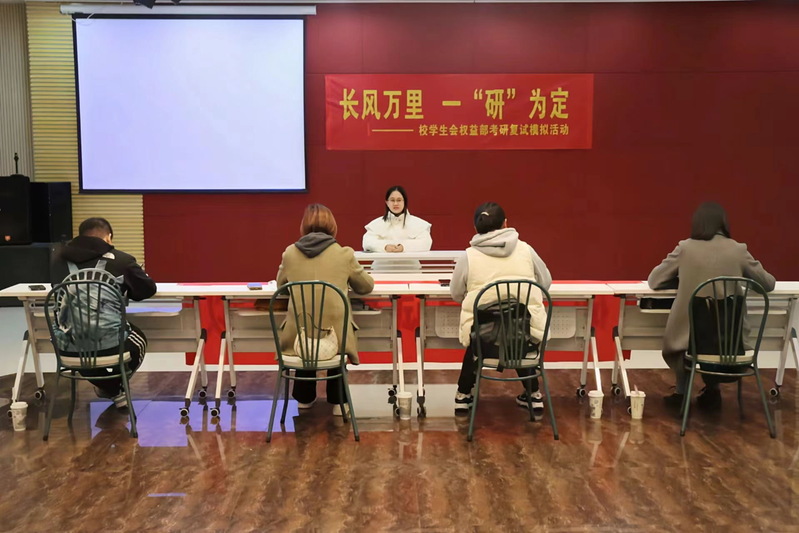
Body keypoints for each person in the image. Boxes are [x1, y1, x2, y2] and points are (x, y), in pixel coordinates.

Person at [647, 202, 775, 411]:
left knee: (690, 335)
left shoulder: (685, 248)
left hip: (689, 338)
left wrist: (683, 280)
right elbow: (768, 284)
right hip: (730, 340)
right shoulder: (738, 250)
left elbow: (654, 280)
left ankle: (681, 393)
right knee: (717, 333)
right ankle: (712, 390)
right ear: (723, 223)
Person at [449, 202, 552, 417]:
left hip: (484, 340)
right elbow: (545, 282)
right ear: (506, 223)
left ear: (476, 227)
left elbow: (456, 293)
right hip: (525, 334)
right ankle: (533, 394)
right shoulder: (526, 249)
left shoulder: (468, 256)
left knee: (480, 337)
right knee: (517, 333)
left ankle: (463, 395)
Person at [277, 204, 375, 415]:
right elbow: (366, 287)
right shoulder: (344, 254)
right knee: (335, 323)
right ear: (332, 226)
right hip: (336, 337)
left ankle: (304, 398)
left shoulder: (290, 253)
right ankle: (339, 400)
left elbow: (280, 286)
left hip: (298, 338)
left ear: (304, 225)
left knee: (305, 327)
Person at [59, 217, 157, 409]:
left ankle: (110, 389)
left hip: (67, 345)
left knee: (85, 350)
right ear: (108, 237)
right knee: (139, 340)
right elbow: (147, 290)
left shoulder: (57, 262)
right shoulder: (122, 260)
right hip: (112, 344)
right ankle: (112, 387)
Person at [362, 186, 432, 269]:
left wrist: (403, 247)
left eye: (399, 200)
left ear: (404, 201)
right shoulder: (377, 223)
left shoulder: (417, 223)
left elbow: (426, 242)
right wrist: (385, 246)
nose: (395, 203)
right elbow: (367, 242)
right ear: (387, 202)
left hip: (411, 271)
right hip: (382, 270)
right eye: (392, 200)